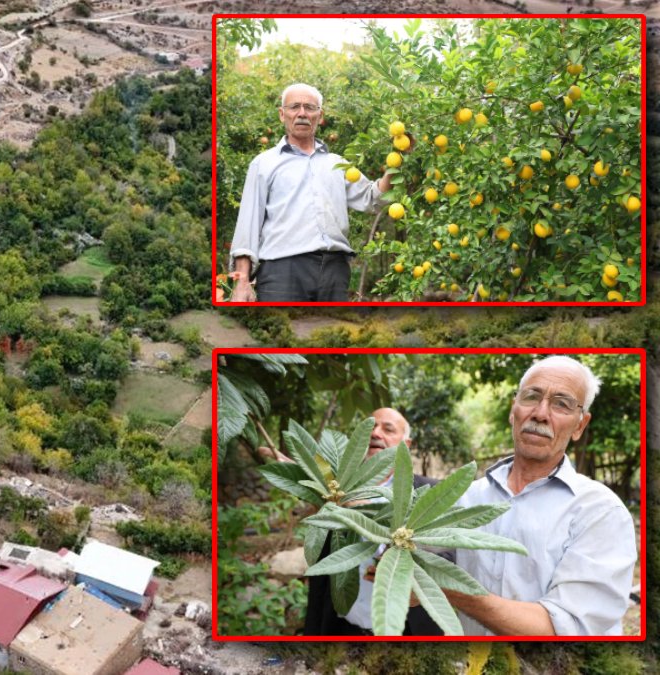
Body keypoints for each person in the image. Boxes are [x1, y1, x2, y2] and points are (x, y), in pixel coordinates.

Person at [445, 356, 636, 636]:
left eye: (562, 404)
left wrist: (451, 589)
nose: (541, 413)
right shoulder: (464, 498)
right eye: (531, 397)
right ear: (513, 410)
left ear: (580, 426)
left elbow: (563, 627)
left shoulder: (600, 511)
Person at [259, 408, 441, 635]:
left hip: (407, 630)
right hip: (342, 624)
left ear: (407, 444)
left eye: (388, 429)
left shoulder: (431, 493)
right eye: (370, 427)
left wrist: (356, 509)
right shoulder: (335, 483)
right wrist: (304, 480)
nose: (375, 433)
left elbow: (442, 555)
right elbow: (322, 538)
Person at [228, 83, 402, 302]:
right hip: (283, 270)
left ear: (320, 116)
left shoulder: (337, 164)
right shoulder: (264, 163)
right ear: (282, 114)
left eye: (310, 107)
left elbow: (372, 198)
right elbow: (248, 224)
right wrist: (242, 280)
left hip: (335, 270)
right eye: (294, 107)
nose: (302, 113)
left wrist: (398, 158)